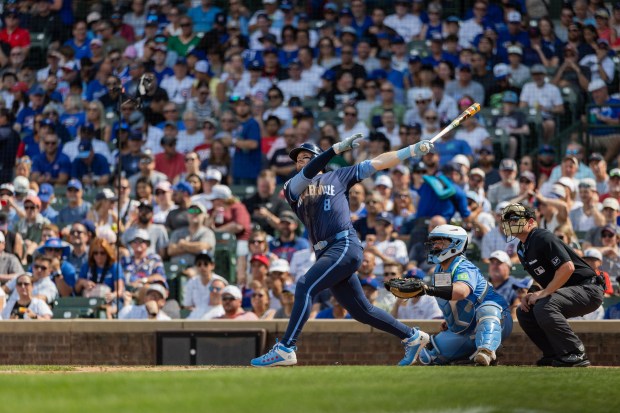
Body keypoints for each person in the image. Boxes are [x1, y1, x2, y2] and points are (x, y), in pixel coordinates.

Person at [251, 134, 434, 367]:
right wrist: (334, 150)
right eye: (298, 160)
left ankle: (286, 347)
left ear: (318, 159)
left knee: (304, 285)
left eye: (307, 157)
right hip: (325, 252)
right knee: (361, 310)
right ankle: (412, 336)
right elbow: (307, 173)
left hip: (344, 244)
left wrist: (412, 150)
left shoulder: (338, 175)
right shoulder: (291, 187)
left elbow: (378, 162)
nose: (302, 162)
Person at [501, 203, 605, 367]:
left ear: (530, 222)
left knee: (543, 305)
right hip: (567, 291)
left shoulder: (542, 236)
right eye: (508, 220)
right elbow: (539, 277)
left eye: (515, 219)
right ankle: (555, 354)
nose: (510, 223)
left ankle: (575, 352)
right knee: (524, 311)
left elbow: (567, 267)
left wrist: (544, 293)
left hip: (589, 289)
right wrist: (532, 293)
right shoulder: (522, 248)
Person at [393, 224, 513, 366]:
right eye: (434, 242)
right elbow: (447, 299)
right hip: (465, 328)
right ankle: (467, 359)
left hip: (497, 319)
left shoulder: (464, 266)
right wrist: (451, 322)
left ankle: (488, 350)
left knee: (487, 309)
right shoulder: (438, 269)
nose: (435, 246)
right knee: (429, 355)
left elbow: (461, 292)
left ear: (457, 243)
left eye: (441, 241)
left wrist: (427, 289)